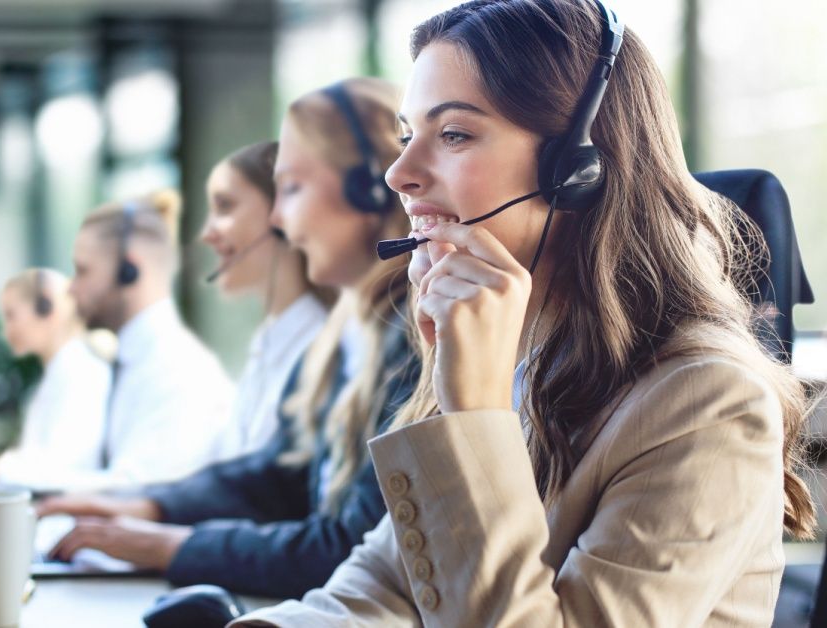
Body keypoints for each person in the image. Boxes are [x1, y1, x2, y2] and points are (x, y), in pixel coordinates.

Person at [231, 0, 816, 625]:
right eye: (406, 137)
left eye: (453, 134)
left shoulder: (708, 404)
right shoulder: (519, 356)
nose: (399, 173)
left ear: (577, 170)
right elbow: (375, 592)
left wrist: (474, 414)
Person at [38, 77, 421, 599]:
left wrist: (171, 546)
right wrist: (152, 507)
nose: (279, 218)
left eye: (292, 188)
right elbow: (284, 474)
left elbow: (349, 547)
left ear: (370, 190)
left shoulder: (415, 341)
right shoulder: (350, 337)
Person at [67, 189, 236, 487]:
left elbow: (137, 493)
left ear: (128, 270)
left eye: (83, 271)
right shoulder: (134, 361)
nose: (71, 288)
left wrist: (14, 477)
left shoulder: (181, 372)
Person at [201, 141, 331, 454]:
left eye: (225, 207)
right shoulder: (267, 342)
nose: (207, 233)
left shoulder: (321, 350)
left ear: (281, 216)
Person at [0, 268, 109, 483]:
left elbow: (65, 467)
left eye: (11, 315)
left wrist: (0, 472)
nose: (6, 330)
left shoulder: (82, 373)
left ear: (46, 308)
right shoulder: (58, 373)